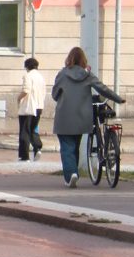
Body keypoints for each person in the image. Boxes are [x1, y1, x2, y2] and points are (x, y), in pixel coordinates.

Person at [51, 46, 123, 187]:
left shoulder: (62, 74)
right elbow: (102, 88)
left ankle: (71, 174)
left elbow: (54, 95)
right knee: (75, 146)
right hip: (82, 117)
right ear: (83, 60)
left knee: (67, 147)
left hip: (64, 117)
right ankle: (73, 172)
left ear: (69, 59)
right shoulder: (87, 75)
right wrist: (118, 99)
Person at [18, 55, 46, 162]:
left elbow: (26, 90)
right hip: (39, 106)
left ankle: (24, 156)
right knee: (33, 129)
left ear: (27, 67)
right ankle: (37, 148)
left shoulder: (28, 76)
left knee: (24, 131)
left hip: (29, 107)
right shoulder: (41, 77)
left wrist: (18, 98)